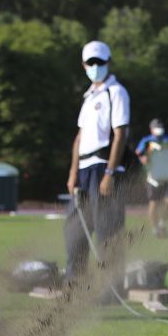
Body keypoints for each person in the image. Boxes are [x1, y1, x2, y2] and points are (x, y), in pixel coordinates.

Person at [64, 40, 130, 288]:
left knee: (108, 232)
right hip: (83, 169)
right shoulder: (88, 97)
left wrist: (110, 173)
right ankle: (74, 285)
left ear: (108, 62)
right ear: (83, 65)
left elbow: (120, 134)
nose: (95, 66)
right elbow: (79, 137)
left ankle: (111, 290)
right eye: (90, 62)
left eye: (99, 62)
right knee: (75, 230)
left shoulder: (116, 92)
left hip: (104, 166)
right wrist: (73, 174)